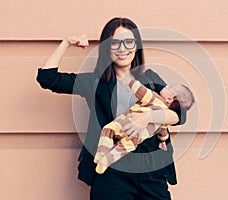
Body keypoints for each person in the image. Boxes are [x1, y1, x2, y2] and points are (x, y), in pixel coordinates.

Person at [36, 17, 187, 200]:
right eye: (115, 43)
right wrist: (66, 42)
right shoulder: (94, 83)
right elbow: (47, 78)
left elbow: (179, 114)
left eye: (128, 42)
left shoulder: (150, 78)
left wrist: (147, 118)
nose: (122, 48)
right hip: (112, 170)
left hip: (151, 168)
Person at [94, 77, 194, 174]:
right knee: (123, 147)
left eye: (168, 87)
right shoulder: (165, 118)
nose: (165, 86)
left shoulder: (156, 98)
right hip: (138, 137)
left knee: (108, 130)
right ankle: (105, 162)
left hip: (125, 123)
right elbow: (163, 132)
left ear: (169, 98)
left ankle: (101, 153)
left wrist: (130, 81)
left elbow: (142, 91)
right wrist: (163, 140)